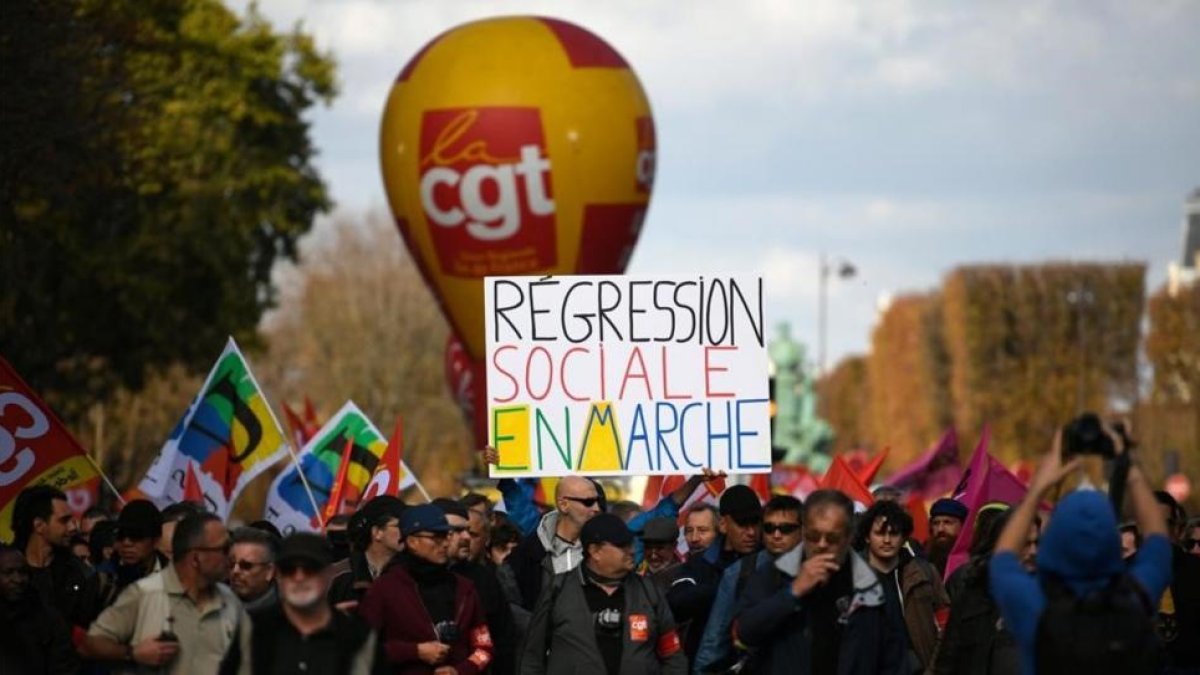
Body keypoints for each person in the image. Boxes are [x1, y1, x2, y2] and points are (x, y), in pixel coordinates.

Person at [989, 433, 1172, 675]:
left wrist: (1037, 489)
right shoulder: (1136, 596)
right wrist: (1131, 471)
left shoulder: (1032, 603)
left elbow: (1002, 557)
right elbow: (1158, 538)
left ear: (1053, 540)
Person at [733, 489, 907, 675]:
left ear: (848, 537)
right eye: (813, 537)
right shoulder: (774, 574)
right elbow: (745, 632)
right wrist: (792, 592)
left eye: (832, 538)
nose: (822, 545)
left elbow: (893, 657)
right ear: (803, 532)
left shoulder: (871, 586)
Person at [519, 512, 686, 674]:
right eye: (622, 545)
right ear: (595, 551)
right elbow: (532, 657)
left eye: (631, 544)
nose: (632, 551)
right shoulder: (558, 589)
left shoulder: (648, 591)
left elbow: (673, 656)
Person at [84, 512, 245, 674]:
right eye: (223, 549)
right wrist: (132, 653)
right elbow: (91, 644)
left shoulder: (229, 599)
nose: (231, 557)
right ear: (196, 557)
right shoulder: (145, 594)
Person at [220, 533, 385, 675]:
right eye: (289, 569)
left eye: (310, 569)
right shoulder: (253, 630)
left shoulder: (358, 636)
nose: (299, 578)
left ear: (328, 575)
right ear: (277, 575)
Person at [359, 503, 494, 674]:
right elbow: (361, 649)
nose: (445, 543)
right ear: (412, 541)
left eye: (447, 535)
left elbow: (484, 648)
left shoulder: (465, 589)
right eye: (436, 537)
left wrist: (461, 670)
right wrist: (414, 652)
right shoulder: (385, 590)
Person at [694, 494, 804, 674]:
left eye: (785, 528)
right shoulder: (739, 572)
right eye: (769, 528)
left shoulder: (820, 570)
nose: (776, 535)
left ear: (802, 530)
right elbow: (715, 639)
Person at [667, 484, 762, 662]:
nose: (751, 532)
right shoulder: (701, 564)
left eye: (755, 523)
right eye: (742, 524)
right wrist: (728, 583)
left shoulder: (769, 562)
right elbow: (676, 604)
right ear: (724, 525)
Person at [855, 499, 950, 673]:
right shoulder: (849, 578)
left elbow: (945, 626)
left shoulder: (925, 573)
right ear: (867, 537)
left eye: (894, 533)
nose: (886, 540)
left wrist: (933, 670)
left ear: (904, 537)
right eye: (880, 533)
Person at [934, 510, 1020, 675]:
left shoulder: (1048, 596)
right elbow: (948, 654)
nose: (1031, 551)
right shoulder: (969, 589)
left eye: (1035, 543)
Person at [437, 498, 517, 675]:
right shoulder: (399, 580)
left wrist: (462, 670)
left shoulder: (480, 580)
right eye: (457, 531)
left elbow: (493, 643)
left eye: (470, 532)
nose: (466, 538)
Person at [507, 475, 603, 611]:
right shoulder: (530, 552)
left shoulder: (605, 548)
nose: (597, 508)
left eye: (598, 502)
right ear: (564, 505)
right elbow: (513, 609)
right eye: (588, 502)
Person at [11, 484, 98, 629]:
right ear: (39, 525)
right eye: (64, 521)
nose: (73, 527)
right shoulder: (6, 569)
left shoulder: (80, 574)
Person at [0, 542, 79, 675]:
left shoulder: (47, 618)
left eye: (22, 572)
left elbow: (64, 666)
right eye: (9, 573)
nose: (18, 579)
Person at [329, 495, 405, 612]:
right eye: (399, 526)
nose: (407, 530)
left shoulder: (414, 573)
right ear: (377, 532)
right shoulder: (336, 576)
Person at [1152, 490, 1200, 672]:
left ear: (1177, 530)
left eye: (1164, 524)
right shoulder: (1125, 576)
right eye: (1150, 524)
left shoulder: (1195, 571)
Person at [96, 499, 168, 609]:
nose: (126, 542)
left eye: (136, 535)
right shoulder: (102, 580)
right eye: (121, 535)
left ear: (156, 541)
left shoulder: (178, 579)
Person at [228, 527, 279, 613]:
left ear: (269, 571)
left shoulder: (290, 616)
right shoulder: (214, 602)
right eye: (231, 564)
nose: (235, 571)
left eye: (246, 566)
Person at [927, 497, 967, 577]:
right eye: (936, 523)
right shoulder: (924, 561)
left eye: (947, 522)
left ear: (963, 525)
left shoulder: (973, 560)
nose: (940, 529)